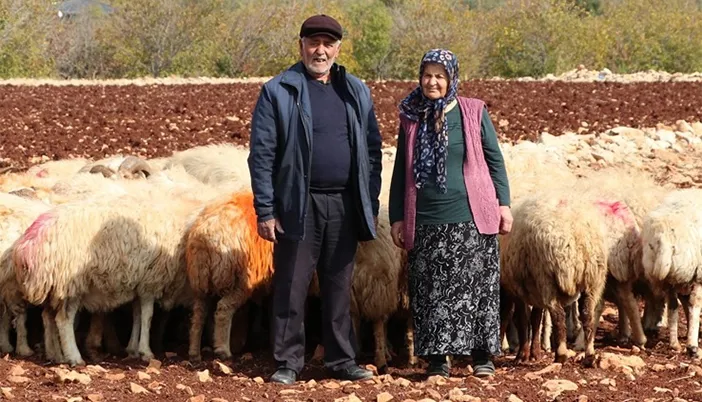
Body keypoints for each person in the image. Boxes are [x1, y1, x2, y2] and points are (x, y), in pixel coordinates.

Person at [247, 14, 382, 385]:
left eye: (328, 44)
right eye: (313, 43)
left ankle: (341, 360)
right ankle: (288, 362)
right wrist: (266, 209)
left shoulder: (355, 90)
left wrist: (368, 202)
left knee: (339, 284)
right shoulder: (279, 91)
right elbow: (262, 154)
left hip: (344, 202)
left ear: (338, 48)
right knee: (292, 284)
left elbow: (372, 151)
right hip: (298, 202)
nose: (320, 51)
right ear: (301, 46)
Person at [388, 48, 513, 378]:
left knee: (476, 288)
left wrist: (503, 204)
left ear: (452, 78)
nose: (432, 82)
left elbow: (495, 160)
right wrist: (397, 216)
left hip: (471, 216)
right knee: (430, 291)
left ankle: (481, 356)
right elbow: (401, 168)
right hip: (426, 218)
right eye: (427, 75)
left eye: (440, 76)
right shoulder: (411, 116)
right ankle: (437, 360)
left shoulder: (472, 111)